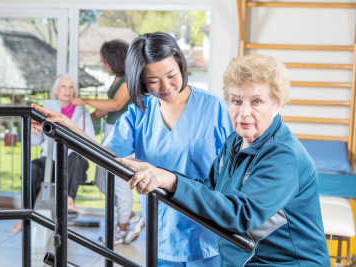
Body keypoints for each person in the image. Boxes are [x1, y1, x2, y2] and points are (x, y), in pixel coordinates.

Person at [32, 31, 233, 266]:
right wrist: (69, 127)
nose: (166, 86)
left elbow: (234, 170)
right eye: (153, 81)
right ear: (141, 81)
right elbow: (107, 155)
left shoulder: (215, 108)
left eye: (171, 75)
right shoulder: (139, 112)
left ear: (180, 65)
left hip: (207, 232)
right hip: (162, 233)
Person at [117, 53, 331, 266]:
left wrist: (171, 181)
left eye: (256, 101)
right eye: (236, 101)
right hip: (245, 259)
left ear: (277, 104)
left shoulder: (283, 156)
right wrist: (162, 176)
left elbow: (241, 214)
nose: (244, 112)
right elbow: (210, 189)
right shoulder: (235, 142)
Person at [70, 40, 143, 245]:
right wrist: (80, 119)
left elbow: (117, 104)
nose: (103, 66)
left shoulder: (130, 78)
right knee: (102, 180)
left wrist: (85, 100)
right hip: (111, 134)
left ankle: (121, 230)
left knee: (119, 183)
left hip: (124, 136)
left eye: (105, 62)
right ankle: (131, 218)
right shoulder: (118, 79)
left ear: (115, 59)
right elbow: (105, 110)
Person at [12, 75, 96, 233]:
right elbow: (34, 142)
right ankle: (28, 214)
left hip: (73, 161)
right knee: (32, 167)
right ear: (55, 91)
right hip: (50, 160)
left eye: (71, 87)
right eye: (63, 86)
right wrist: (33, 130)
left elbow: (90, 140)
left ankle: (69, 201)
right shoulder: (47, 110)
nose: (68, 90)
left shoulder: (82, 112)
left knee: (76, 157)